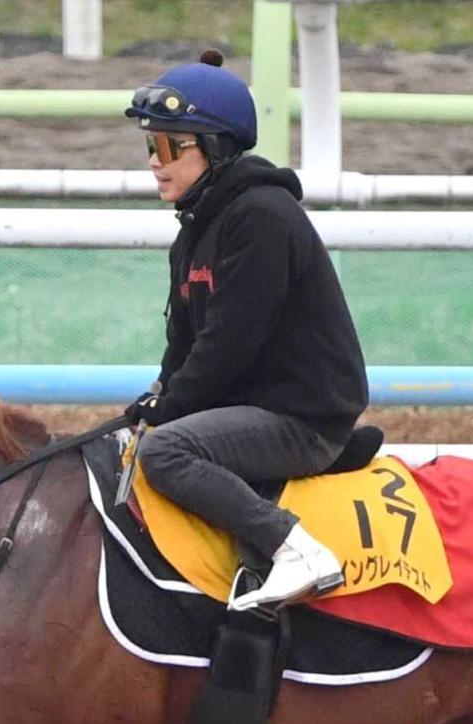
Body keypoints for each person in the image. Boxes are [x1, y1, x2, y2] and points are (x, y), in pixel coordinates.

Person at [123, 49, 369, 612]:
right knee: (140, 441)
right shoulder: (194, 229)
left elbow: (230, 344)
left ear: (214, 148)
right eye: (149, 146)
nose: (154, 163)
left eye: (167, 146)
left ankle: (296, 550)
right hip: (255, 409)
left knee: (165, 454)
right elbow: (184, 346)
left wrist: (169, 415)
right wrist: (158, 396)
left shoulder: (262, 216)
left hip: (303, 420)